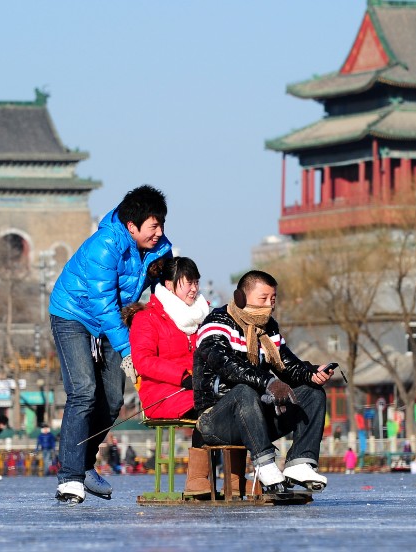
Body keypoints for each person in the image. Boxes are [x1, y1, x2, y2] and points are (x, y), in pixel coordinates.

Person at [49, 185, 172, 504]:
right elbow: (103, 306)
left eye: (161, 224)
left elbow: (166, 294)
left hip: (112, 322)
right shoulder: (104, 246)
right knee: (84, 391)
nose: (159, 232)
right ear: (132, 226)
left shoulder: (160, 250)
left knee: (114, 401)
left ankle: (83, 462)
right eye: (153, 226)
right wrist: (130, 352)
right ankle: (70, 478)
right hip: (73, 314)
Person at [193, 270, 335, 494]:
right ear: (241, 297)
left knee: (312, 393)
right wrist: (269, 382)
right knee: (244, 391)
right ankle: (265, 464)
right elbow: (228, 365)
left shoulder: (269, 329)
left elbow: (287, 366)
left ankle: (300, 463)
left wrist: (311, 373)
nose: (269, 305)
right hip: (216, 419)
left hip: (255, 418)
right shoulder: (216, 324)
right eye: (263, 299)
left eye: (273, 299)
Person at [124, 256, 212, 498]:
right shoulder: (148, 317)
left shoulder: (204, 316)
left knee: (237, 404)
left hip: (198, 389)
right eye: (188, 283)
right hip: (163, 393)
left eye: (196, 282)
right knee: (212, 409)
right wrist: (182, 376)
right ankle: (197, 479)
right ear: (170, 285)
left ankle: (235, 479)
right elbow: (143, 361)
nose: (194, 289)